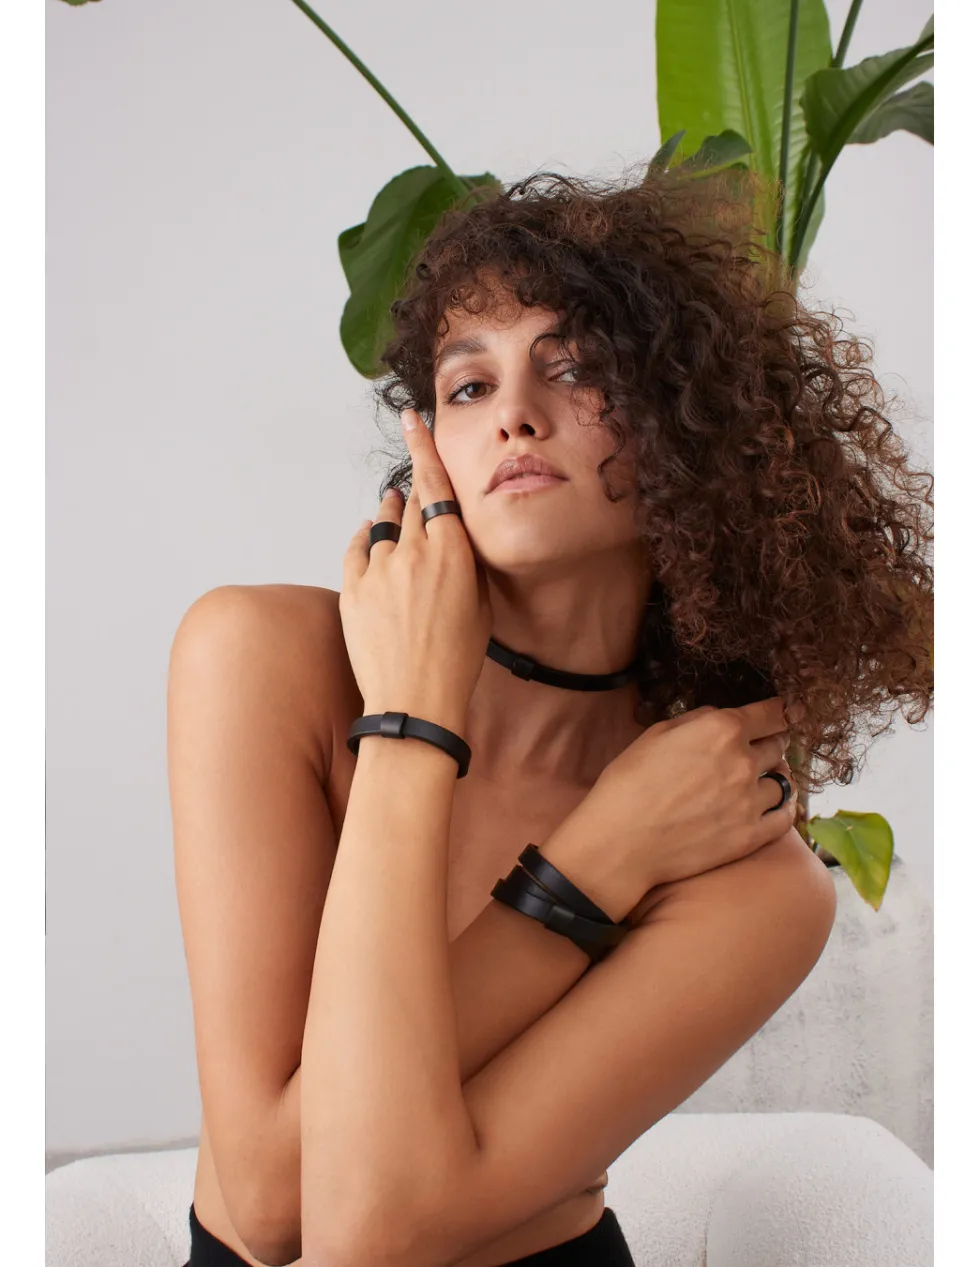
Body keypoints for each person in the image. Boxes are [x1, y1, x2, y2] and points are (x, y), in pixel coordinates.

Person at [167, 166, 934, 1267]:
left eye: (574, 368)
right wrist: (573, 849)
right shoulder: (264, 659)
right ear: (428, 445)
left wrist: (432, 745)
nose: (513, 415)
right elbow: (272, 1202)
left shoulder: (749, 875)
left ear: (690, 429)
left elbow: (366, 1234)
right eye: (468, 384)